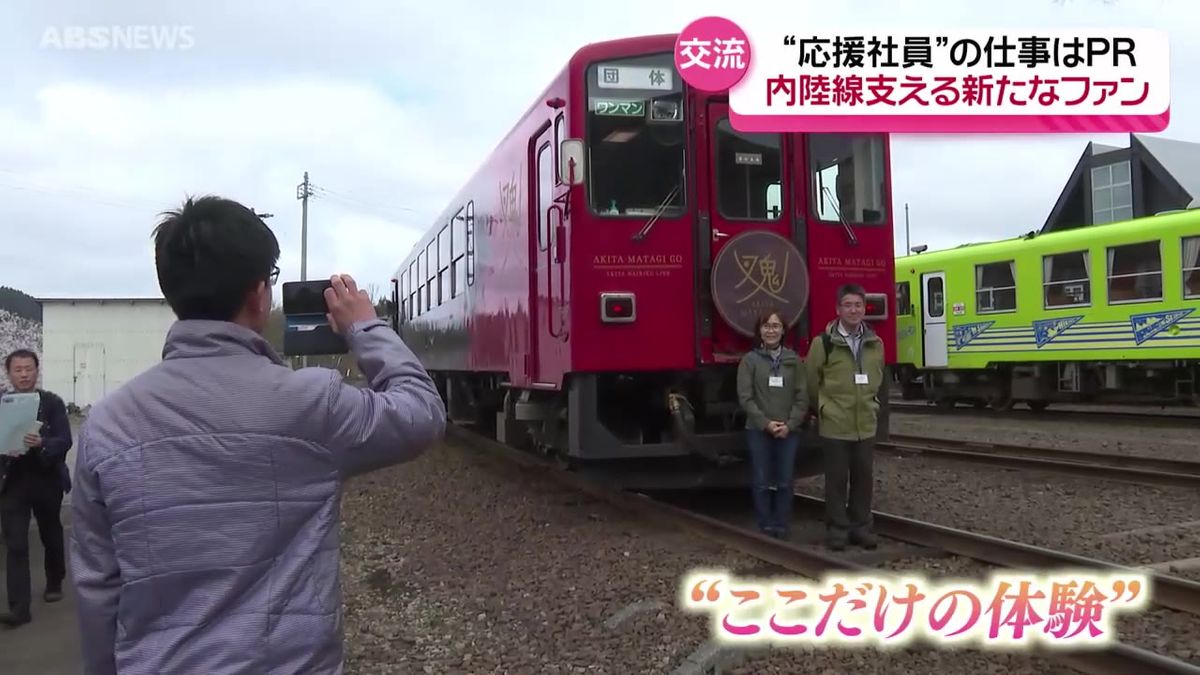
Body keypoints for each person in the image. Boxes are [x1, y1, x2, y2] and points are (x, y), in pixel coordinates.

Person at [68, 196, 447, 674]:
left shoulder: (106, 424)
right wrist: (365, 328)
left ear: (173, 292)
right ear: (259, 294)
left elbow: (98, 587)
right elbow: (422, 412)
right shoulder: (312, 404)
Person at [805, 283, 885, 551]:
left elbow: (878, 377)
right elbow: (811, 382)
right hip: (836, 423)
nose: (853, 310)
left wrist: (871, 404)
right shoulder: (823, 343)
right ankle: (837, 529)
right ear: (838, 309)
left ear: (864, 309)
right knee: (836, 480)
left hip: (865, 423)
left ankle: (861, 527)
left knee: (863, 478)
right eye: (848, 305)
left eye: (858, 305)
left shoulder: (876, 343)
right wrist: (824, 409)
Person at [0, 349, 73, 628]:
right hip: (12, 481)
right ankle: (19, 608)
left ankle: (54, 580)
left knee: (50, 533)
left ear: (36, 370)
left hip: (45, 478)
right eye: (18, 369)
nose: (23, 374)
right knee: (15, 543)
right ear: (9, 373)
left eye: (28, 368)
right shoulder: (2, 402)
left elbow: (64, 439)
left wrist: (42, 443)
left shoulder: (52, 402)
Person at [736, 309, 808, 539]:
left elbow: (802, 396)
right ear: (759, 331)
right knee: (761, 480)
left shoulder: (793, 360)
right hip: (758, 429)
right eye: (766, 326)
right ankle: (765, 524)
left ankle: (781, 524)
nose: (771, 330)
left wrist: (791, 423)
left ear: (784, 330)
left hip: (789, 430)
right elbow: (745, 397)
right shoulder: (750, 361)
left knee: (785, 480)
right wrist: (765, 423)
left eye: (776, 326)